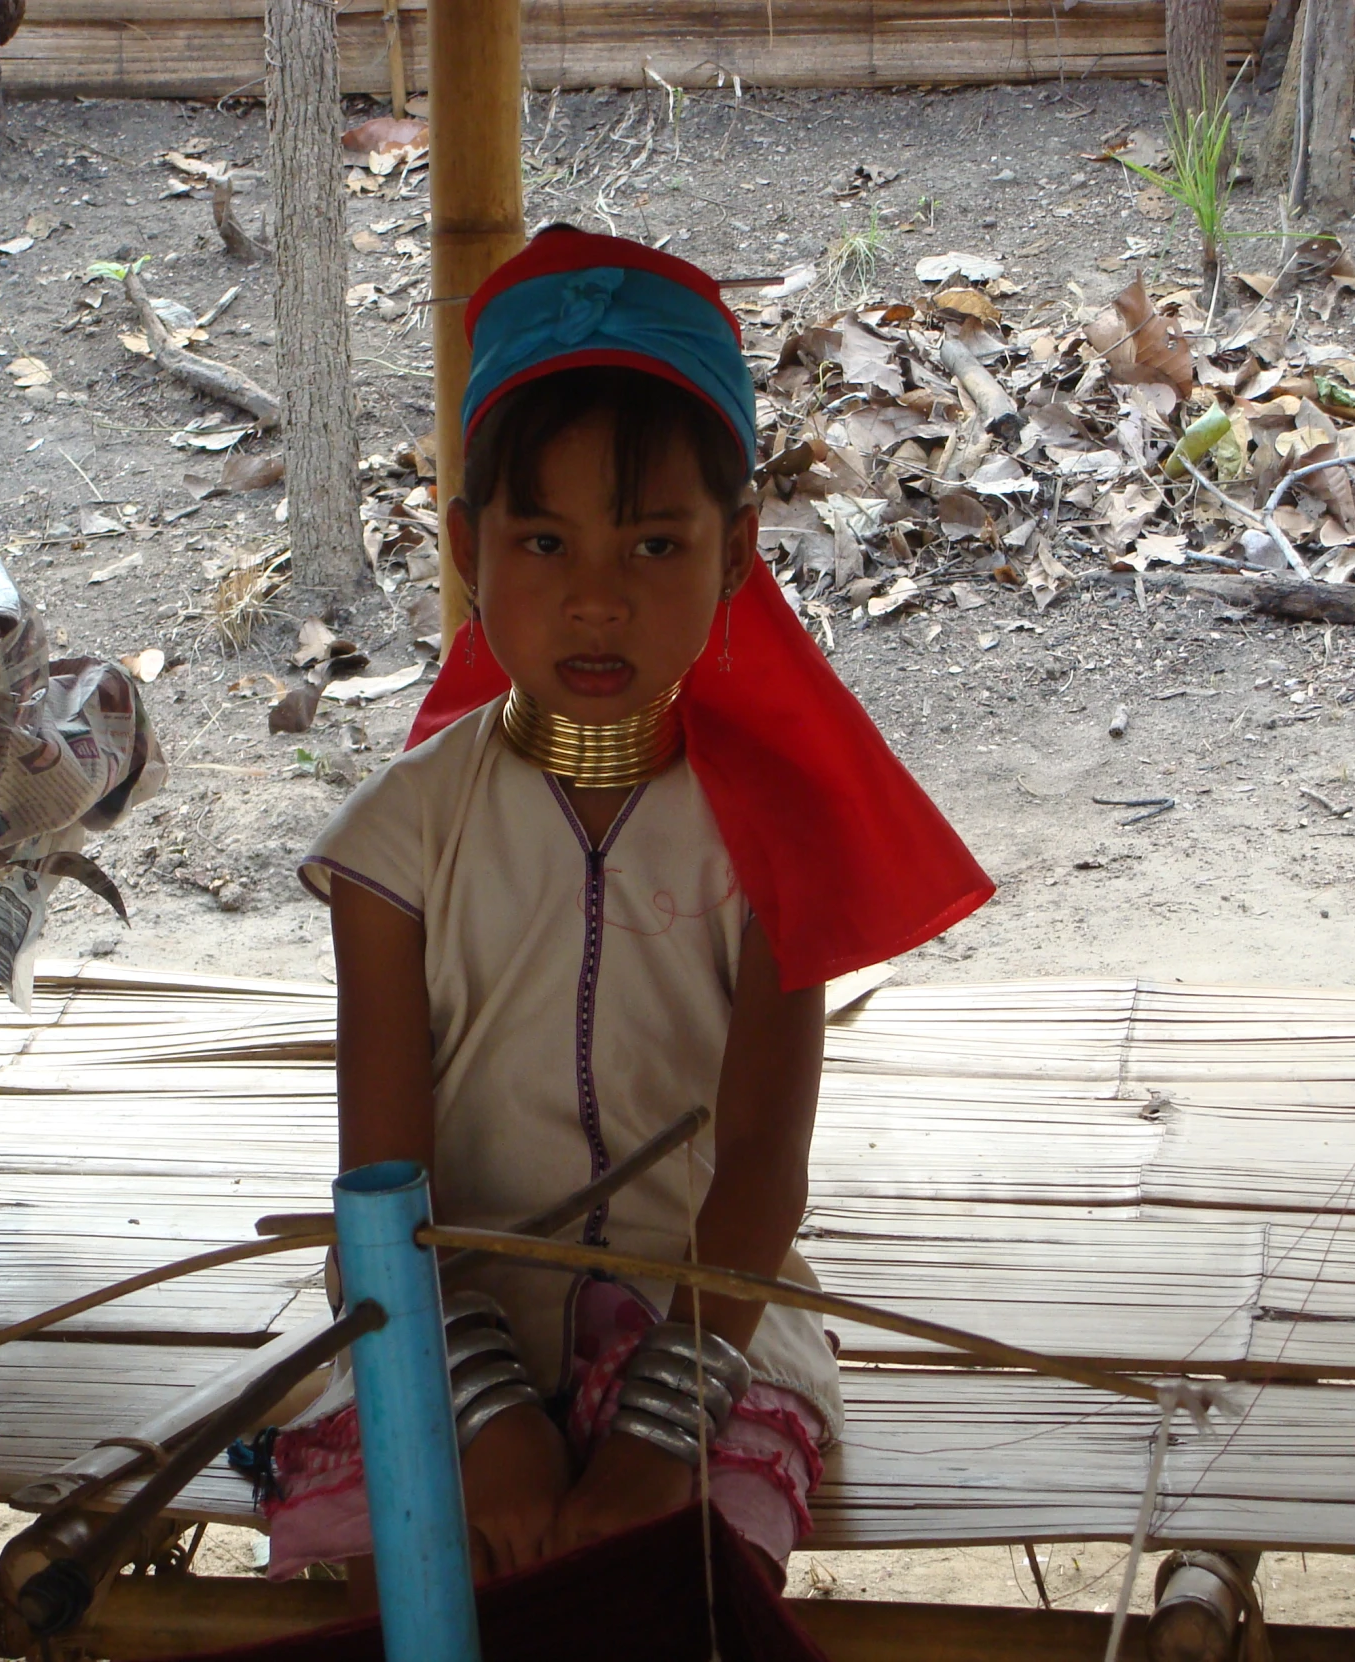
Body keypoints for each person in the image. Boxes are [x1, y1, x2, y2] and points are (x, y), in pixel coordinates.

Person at [258, 225, 992, 1587]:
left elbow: (764, 1171)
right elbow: (383, 1195)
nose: (598, 595)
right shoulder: (393, 850)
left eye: (657, 540)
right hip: (433, 1317)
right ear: (469, 547)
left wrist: (661, 1430)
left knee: (681, 1576)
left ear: (737, 551)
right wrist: (481, 1421)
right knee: (393, 1565)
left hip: (705, 1315)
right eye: (544, 538)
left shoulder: (773, 839)